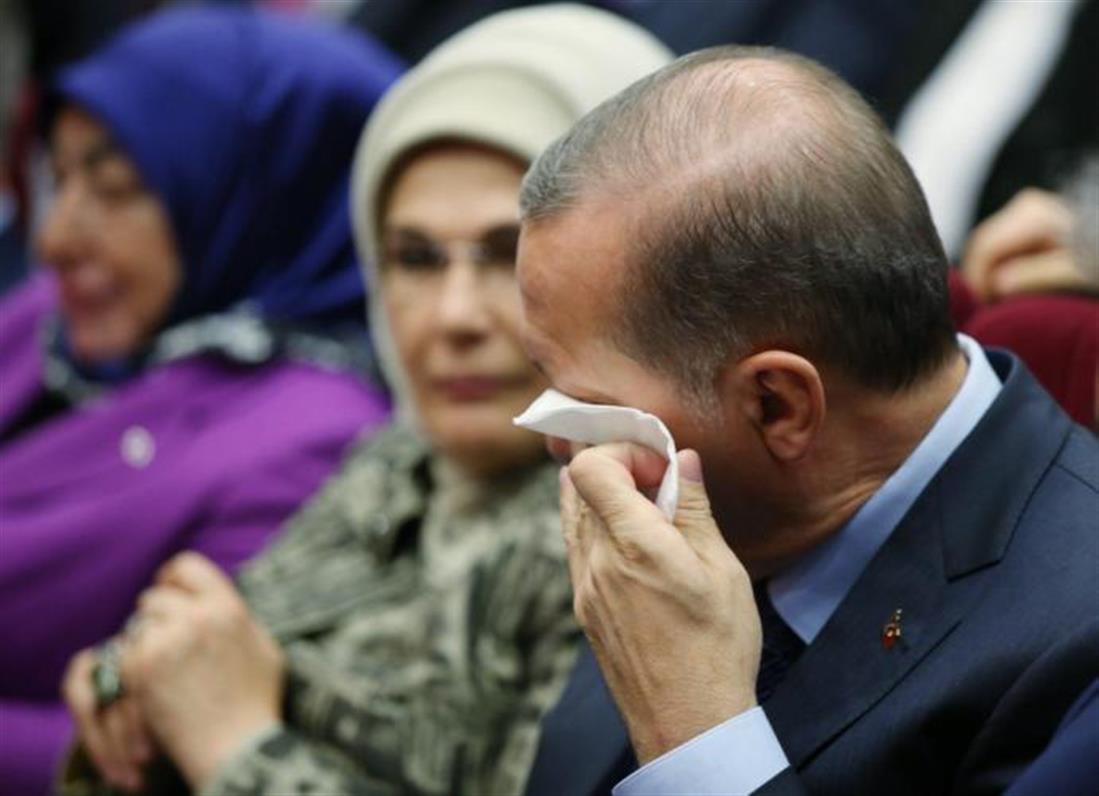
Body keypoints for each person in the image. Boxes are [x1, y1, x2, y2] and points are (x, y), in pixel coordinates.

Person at [57, 6, 672, 796]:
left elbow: (227, 715)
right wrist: (135, 680)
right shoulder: (399, 460)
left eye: (507, 254)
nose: (454, 316)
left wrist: (236, 749)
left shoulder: (633, 537)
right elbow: (218, 656)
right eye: (415, 258)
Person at [515, 45, 1099, 795]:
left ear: (777, 405)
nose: (556, 440)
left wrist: (693, 736)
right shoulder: (680, 529)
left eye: (584, 408)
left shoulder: (1074, 653)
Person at [0, 8, 400, 794]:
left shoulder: (310, 439)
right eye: (59, 178)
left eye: (115, 188)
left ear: (254, 195)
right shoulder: (61, 317)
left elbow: (140, 748)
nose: (55, 237)